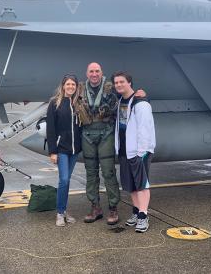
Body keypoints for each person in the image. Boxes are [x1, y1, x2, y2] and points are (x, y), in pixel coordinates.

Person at [74, 62, 145, 225]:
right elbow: (65, 95)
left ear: (101, 72)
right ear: (87, 73)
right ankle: (95, 207)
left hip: (106, 133)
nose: (94, 74)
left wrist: (141, 93)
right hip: (87, 135)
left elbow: (126, 93)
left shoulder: (111, 87)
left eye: (97, 71)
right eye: (91, 71)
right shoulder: (79, 88)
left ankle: (113, 208)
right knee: (91, 173)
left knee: (108, 172)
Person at [113, 71, 155, 233]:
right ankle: (136, 212)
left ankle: (144, 216)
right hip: (124, 149)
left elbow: (145, 128)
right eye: (116, 83)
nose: (118, 85)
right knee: (130, 184)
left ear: (129, 83)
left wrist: (142, 151)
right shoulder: (120, 101)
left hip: (139, 151)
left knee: (142, 184)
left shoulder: (140, 102)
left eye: (121, 82)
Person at [46, 74, 82, 227]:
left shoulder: (78, 103)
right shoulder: (55, 103)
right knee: (64, 180)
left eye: (73, 84)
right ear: (63, 86)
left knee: (66, 182)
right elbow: (51, 129)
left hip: (74, 150)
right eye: (68, 84)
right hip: (61, 149)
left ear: (76, 87)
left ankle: (64, 210)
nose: (70, 87)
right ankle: (60, 213)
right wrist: (52, 151)